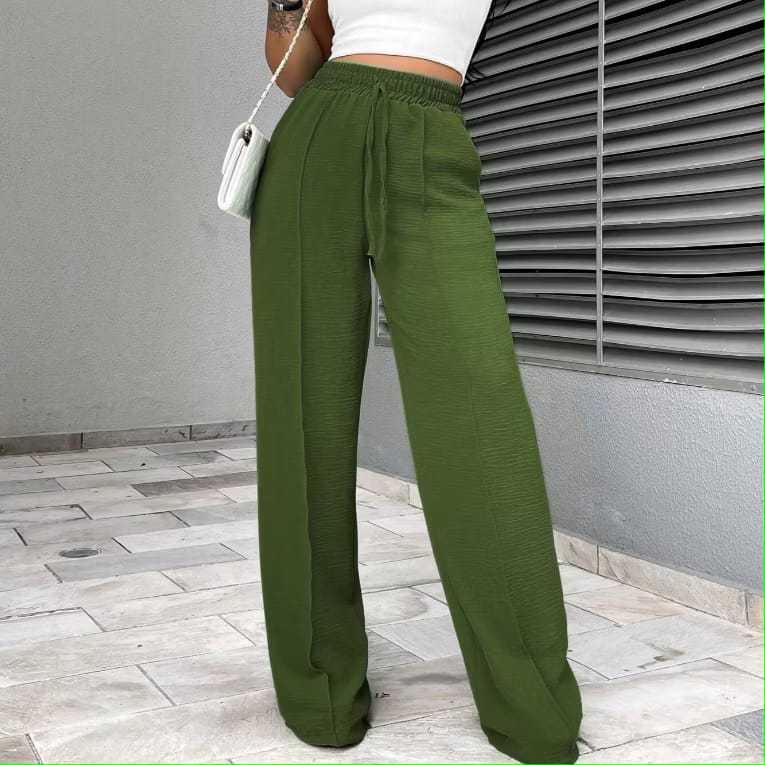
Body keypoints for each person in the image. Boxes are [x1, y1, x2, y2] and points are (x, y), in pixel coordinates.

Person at [249, 1, 583, 762]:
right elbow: (293, 73)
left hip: (433, 134)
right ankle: (319, 693)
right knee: (304, 418)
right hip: (317, 139)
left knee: (482, 425)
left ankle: (532, 706)